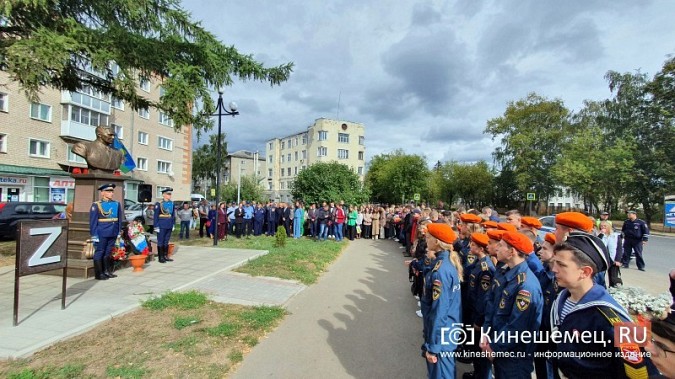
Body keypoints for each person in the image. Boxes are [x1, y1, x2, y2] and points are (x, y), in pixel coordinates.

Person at [549, 233, 657, 378]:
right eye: (554, 262)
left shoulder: (613, 317)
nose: (554, 269)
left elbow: (640, 371)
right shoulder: (561, 300)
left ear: (585, 272)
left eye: (561, 265)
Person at [480, 231, 543, 379]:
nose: (497, 248)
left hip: (514, 356)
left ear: (511, 252)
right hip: (499, 345)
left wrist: (494, 347)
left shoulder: (526, 285)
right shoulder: (504, 272)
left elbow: (517, 325)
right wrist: (485, 334)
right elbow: (492, 305)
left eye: (501, 245)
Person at [422, 223, 463, 379]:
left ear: (437, 241)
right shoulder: (443, 263)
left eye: (428, 237)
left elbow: (440, 310)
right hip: (444, 332)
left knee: (441, 374)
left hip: (442, 335)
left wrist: (434, 346)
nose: (426, 240)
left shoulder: (441, 271)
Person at [89, 183, 123, 280]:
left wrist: (119, 231)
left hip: (113, 231)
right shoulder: (96, 205)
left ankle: (107, 271)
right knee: (100, 251)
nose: (111, 193)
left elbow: (119, 219)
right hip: (102, 232)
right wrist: (94, 234)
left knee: (108, 252)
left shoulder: (116, 204)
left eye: (112, 191)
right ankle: (99, 273)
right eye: (108, 191)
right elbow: (93, 221)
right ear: (102, 193)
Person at [153, 188, 175, 263]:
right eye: (168, 194)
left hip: (169, 224)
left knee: (166, 241)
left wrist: (173, 224)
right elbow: (156, 216)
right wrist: (156, 226)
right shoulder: (159, 204)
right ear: (163, 195)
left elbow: (173, 215)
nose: (169, 195)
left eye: (170, 194)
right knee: (161, 241)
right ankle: (160, 257)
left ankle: (165, 256)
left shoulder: (172, 203)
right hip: (161, 225)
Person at [599, 220, 623, 287]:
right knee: (600, 276)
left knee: (613, 276)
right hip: (602, 258)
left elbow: (619, 248)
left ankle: (613, 287)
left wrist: (618, 260)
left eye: (604, 226)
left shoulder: (615, 236)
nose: (603, 228)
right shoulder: (600, 235)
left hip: (612, 258)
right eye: (601, 226)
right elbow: (597, 243)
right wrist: (601, 234)